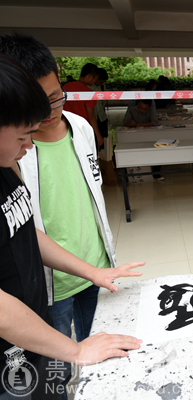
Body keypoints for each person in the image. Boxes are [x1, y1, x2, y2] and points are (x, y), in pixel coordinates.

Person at [0, 52, 143, 399]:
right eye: (22, 136)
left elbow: (26, 232)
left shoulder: (8, 164)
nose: (28, 145)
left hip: (41, 312)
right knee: (44, 381)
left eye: (56, 98)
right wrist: (75, 349)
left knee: (59, 384)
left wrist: (92, 271)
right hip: (14, 345)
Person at [0, 33, 120, 346]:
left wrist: (96, 267)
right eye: (38, 105)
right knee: (56, 362)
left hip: (95, 268)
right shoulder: (9, 155)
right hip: (49, 285)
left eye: (56, 97)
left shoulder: (80, 128)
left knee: (98, 348)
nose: (50, 111)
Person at [63, 63, 103, 149]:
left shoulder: (65, 87)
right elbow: (91, 116)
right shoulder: (88, 92)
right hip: (83, 129)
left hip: (66, 128)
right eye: (94, 79)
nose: (94, 82)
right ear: (89, 76)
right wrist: (98, 135)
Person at [123, 100, 163, 181]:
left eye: (145, 109)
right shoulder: (132, 109)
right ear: (138, 104)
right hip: (134, 136)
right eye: (140, 107)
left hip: (149, 135)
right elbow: (125, 122)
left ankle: (156, 172)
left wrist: (140, 124)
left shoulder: (152, 110)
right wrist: (130, 124)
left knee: (155, 151)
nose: (142, 110)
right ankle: (128, 173)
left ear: (149, 107)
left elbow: (155, 122)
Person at [89, 68, 109, 142]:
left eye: (103, 82)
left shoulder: (103, 86)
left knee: (104, 140)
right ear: (96, 78)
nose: (102, 84)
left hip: (102, 117)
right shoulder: (88, 87)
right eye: (100, 82)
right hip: (92, 117)